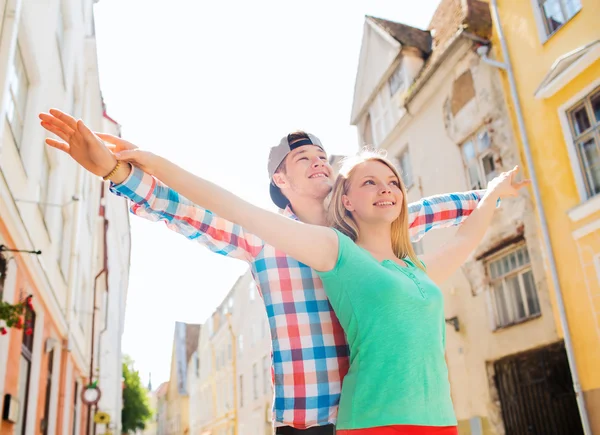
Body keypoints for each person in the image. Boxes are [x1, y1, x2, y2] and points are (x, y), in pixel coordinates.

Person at [40, 110, 497, 434]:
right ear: (280, 181)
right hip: (310, 416)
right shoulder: (263, 238)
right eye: (304, 160)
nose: (320, 162)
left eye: (323, 157)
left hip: (378, 412)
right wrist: (116, 171)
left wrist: (493, 190)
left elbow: (430, 211)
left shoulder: (366, 227)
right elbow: (184, 210)